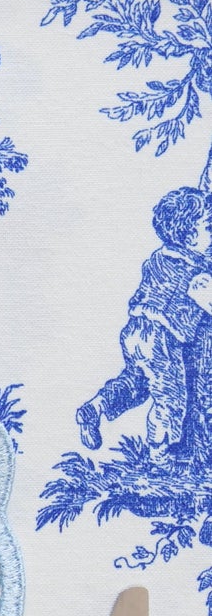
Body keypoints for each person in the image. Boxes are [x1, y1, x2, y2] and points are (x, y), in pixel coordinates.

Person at [75, 185, 212, 456]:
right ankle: (158, 453)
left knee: (138, 381)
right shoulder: (195, 273)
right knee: (170, 397)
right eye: (209, 228)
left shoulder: (159, 258)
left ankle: (97, 407)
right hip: (162, 338)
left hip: (136, 332)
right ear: (188, 236)